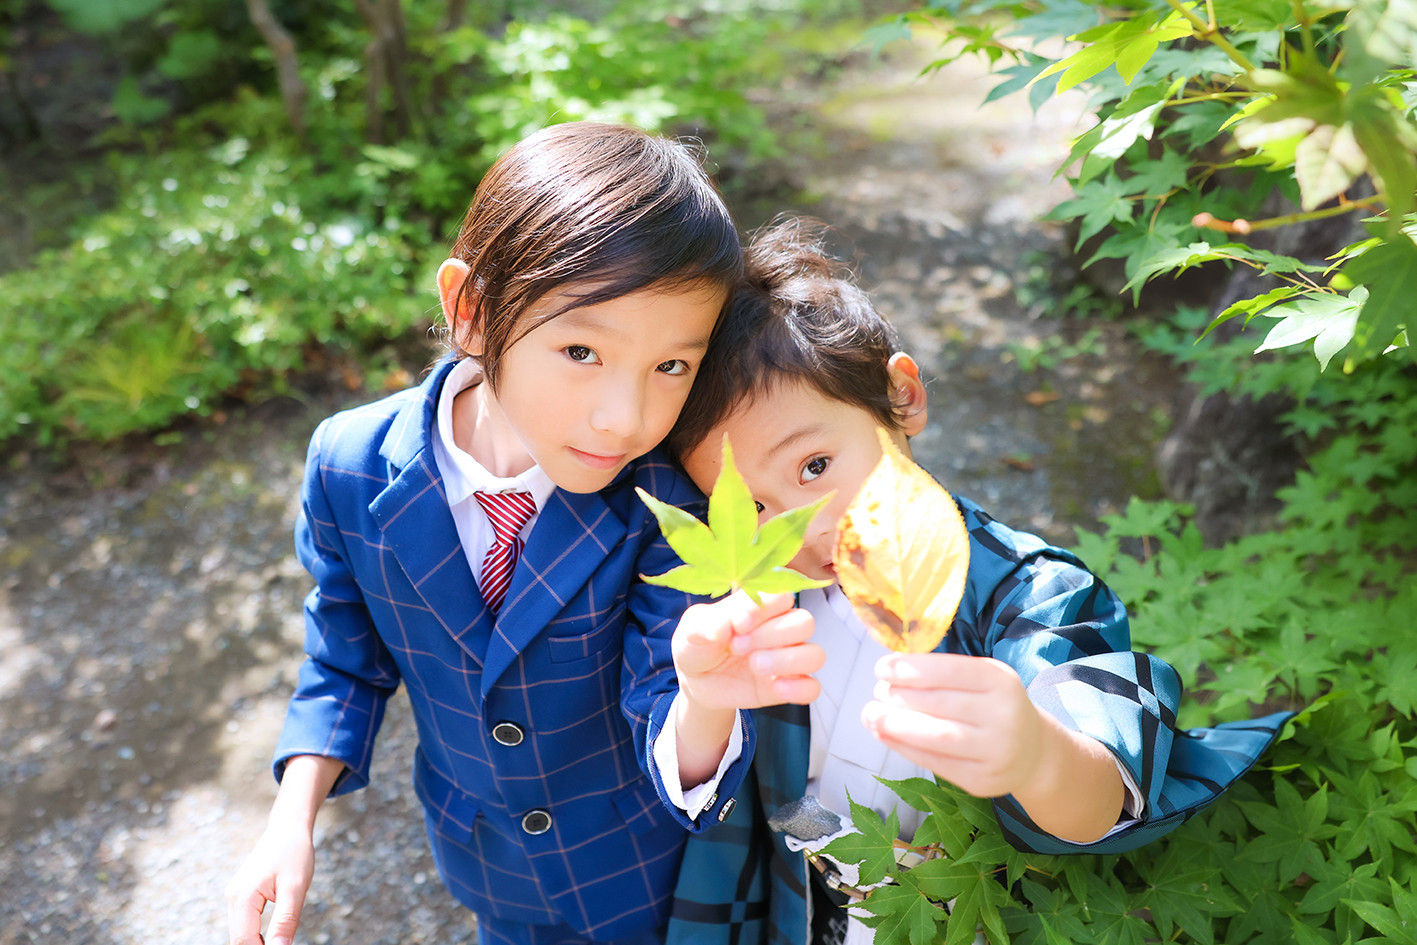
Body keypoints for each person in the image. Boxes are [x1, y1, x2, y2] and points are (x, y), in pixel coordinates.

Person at [224, 122, 819, 945]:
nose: (627, 416)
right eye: (581, 350)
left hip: (652, 867)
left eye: (671, 367)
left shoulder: (667, 499)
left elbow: (665, 696)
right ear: (470, 310)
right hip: (488, 861)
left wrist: (706, 697)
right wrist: (292, 817)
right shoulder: (349, 464)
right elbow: (345, 656)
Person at [658, 217, 1294, 945]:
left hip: (967, 915)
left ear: (901, 397)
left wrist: (1035, 753)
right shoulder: (754, 598)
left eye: (813, 468)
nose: (800, 530)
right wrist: (704, 704)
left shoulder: (1028, 592)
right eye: (753, 506)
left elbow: (1102, 787)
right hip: (795, 908)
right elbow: (717, 776)